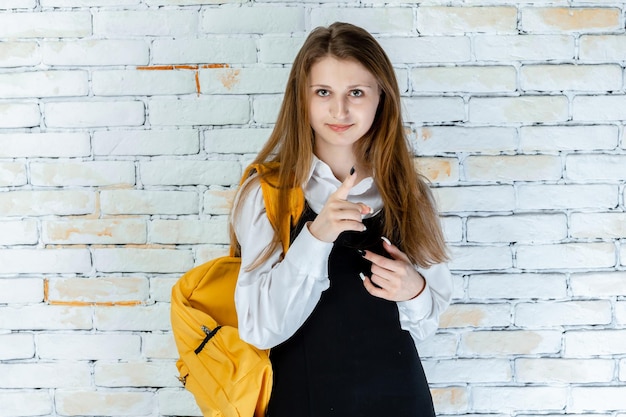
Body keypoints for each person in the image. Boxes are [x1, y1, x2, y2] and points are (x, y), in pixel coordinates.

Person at [230, 22, 452, 417]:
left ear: (381, 97)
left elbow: (426, 326)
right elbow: (259, 329)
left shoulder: (410, 195)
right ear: (302, 99)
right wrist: (316, 237)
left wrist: (415, 289)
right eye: (323, 93)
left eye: (356, 92)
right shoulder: (267, 194)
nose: (340, 110)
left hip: (402, 403)